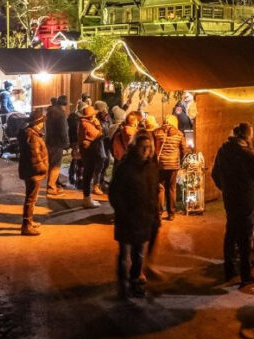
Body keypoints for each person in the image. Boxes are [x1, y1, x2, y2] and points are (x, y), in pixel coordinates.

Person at [211, 122, 254, 285]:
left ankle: (229, 270)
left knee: (230, 233)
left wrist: (225, 188)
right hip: (247, 200)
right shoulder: (248, 154)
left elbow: (214, 174)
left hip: (231, 199)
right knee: (245, 236)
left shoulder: (224, 150)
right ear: (247, 135)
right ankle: (245, 273)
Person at [108, 130, 160, 299]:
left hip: (144, 217)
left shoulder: (151, 166)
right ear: (135, 147)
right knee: (124, 253)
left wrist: (154, 214)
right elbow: (115, 193)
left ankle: (135, 281)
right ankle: (122, 285)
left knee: (138, 254)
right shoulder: (125, 166)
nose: (146, 151)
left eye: (148, 147)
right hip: (127, 218)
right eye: (142, 147)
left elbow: (153, 191)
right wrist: (123, 212)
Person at [17, 109, 49, 236]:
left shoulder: (31, 133)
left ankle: (29, 221)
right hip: (33, 172)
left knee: (32, 198)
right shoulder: (32, 136)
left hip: (30, 171)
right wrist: (43, 168)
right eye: (41, 122)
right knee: (30, 198)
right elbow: (34, 157)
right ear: (37, 123)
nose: (43, 124)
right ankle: (26, 225)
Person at [154, 114, 187, 220]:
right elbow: (184, 150)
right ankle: (171, 213)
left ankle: (159, 213)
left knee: (160, 188)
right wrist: (180, 160)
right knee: (171, 188)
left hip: (160, 165)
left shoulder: (157, 132)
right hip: (173, 165)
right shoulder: (179, 134)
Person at [77, 106, 104, 208]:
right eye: (94, 114)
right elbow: (100, 135)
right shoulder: (86, 124)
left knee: (87, 174)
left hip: (87, 152)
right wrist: (98, 125)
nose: (95, 115)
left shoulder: (84, 123)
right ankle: (87, 199)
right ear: (90, 116)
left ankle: (87, 198)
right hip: (89, 153)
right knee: (88, 174)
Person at [44, 95, 70, 195]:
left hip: (49, 141)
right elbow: (64, 130)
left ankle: (53, 185)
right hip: (58, 142)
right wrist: (67, 144)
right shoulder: (61, 114)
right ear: (65, 104)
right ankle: (51, 187)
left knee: (51, 164)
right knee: (55, 165)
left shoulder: (50, 111)